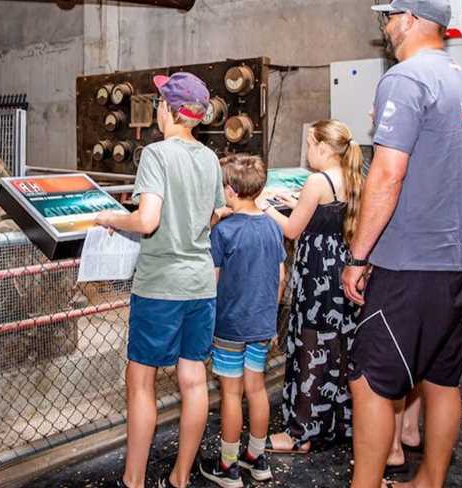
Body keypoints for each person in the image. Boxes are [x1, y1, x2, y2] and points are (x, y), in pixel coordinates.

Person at [342, 0, 462, 488]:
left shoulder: (404, 78)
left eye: (391, 18)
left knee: (369, 382)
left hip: (412, 268)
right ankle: (429, 480)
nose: (387, 27)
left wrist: (358, 255)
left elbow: (386, 176)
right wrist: (445, 181)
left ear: (411, 20)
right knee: (440, 379)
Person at [95, 71, 225, 488]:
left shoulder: (156, 155)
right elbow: (213, 214)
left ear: (166, 109)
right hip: (200, 285)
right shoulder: (209, 158)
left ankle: (133, 480)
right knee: (193, 381)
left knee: (141, 383)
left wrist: (111, 218)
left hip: (160, 286)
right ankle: (181, 477)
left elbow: (147, 220)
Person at [262, 119, 364, 453]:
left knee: (311, 347)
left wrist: (264, 207)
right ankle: (338, 423)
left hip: (316, 273)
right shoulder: (353, 177)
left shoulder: (316, 181)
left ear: (322, 147)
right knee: (339, 348)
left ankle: (300, 432)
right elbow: (326, 216)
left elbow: (292, 230)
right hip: (344, 269)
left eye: (309, 144)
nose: (307, 152)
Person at [199, 154, 286, 487]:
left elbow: (213, 280)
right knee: (257, 388)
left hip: (231, 325)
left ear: (231, 191)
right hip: (262, 322)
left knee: (232, 394)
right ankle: (256, 456)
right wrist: (270, 313)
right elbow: (280, 277)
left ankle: (228, 465)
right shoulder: (271, 227)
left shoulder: (224, 233)